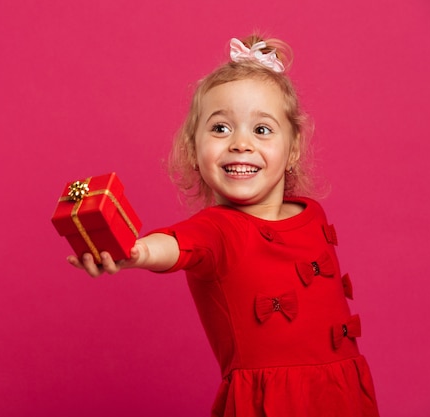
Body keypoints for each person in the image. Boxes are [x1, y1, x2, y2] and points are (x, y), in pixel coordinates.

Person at [67, 34, 380, 417]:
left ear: (293, 148)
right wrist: (137, 252)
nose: (240, 144)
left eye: (261, 130)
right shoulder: (217, 229)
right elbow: (175, 245)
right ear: (193, 149)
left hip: (343, 398)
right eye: (220, 129)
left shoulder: (311, 213)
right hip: (270, 406)